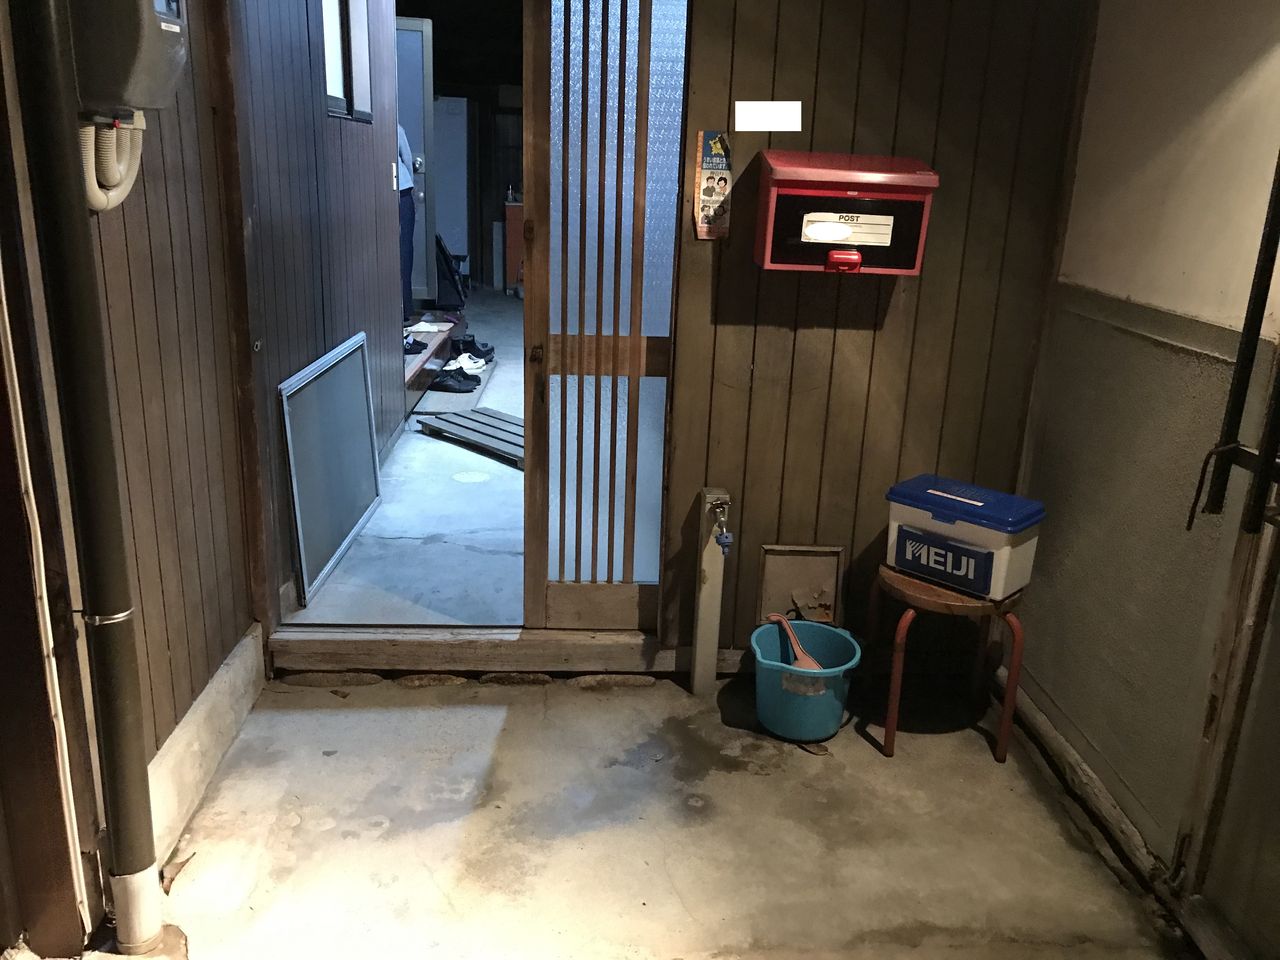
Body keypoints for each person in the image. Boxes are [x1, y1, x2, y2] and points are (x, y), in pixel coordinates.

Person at [397, 123, 416, 324]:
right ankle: (404, 309)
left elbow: (408, 159)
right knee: (404, 250)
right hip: (403, 191)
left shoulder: (396, 128)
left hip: (401, 190)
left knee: (404, 251)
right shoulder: (397, 128)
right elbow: (407, 159)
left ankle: (404, 307)